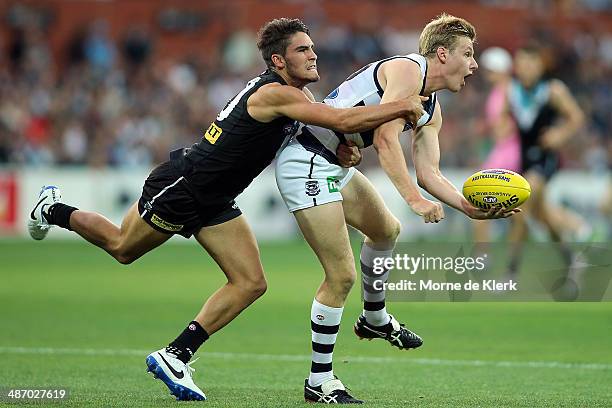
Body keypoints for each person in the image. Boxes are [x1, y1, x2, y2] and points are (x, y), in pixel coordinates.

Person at [27, 18, 426, 402]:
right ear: (278, 61)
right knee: (121, 247)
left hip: (216, 197)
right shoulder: (275, 94)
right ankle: (53, 208)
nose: (313, 55)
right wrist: (401, 105)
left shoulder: (296, 96)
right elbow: (342, 117)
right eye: (302, 50)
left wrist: (343, 150)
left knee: (251, 282)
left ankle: (176, 355)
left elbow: (327, 133)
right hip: (185, 186)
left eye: (313, 47)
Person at [275, 13, 520, 404]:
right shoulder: (407, 69)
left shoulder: (432, 108)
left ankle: (374, 319)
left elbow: (429, 173)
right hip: (306, 159)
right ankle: (319, 382)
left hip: (335, 162)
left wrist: (466, 208)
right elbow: (387, 142)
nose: (474, 65)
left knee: (386, 232)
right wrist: (414, 201)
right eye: (468, 54)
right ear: (442, 54)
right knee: (340, 277)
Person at [501, 44, 586, 280]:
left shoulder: (552, 90)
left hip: (545, 158)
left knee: (520, 204)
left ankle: (511, 272)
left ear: (540, 66)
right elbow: (505, 122)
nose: (526, 68)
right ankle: (572, 259)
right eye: (522, 63)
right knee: (544, 217)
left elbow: (576, 117)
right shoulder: (512, 91)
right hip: (524, 160)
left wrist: (560, 134)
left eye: (531, 63)